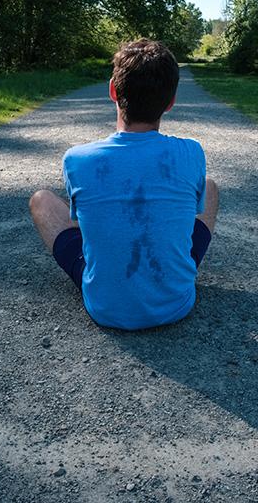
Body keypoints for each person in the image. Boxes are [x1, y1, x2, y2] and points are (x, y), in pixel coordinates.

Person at [29, 39, 219, 330]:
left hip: (105, 308)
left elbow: (84, 226)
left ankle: (115, 284)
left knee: (41, 200)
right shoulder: (191, 152)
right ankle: (172, 274)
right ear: (171, 102)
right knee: (209, 186)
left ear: (112, 91)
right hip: (176, 304)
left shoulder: (77, 159)